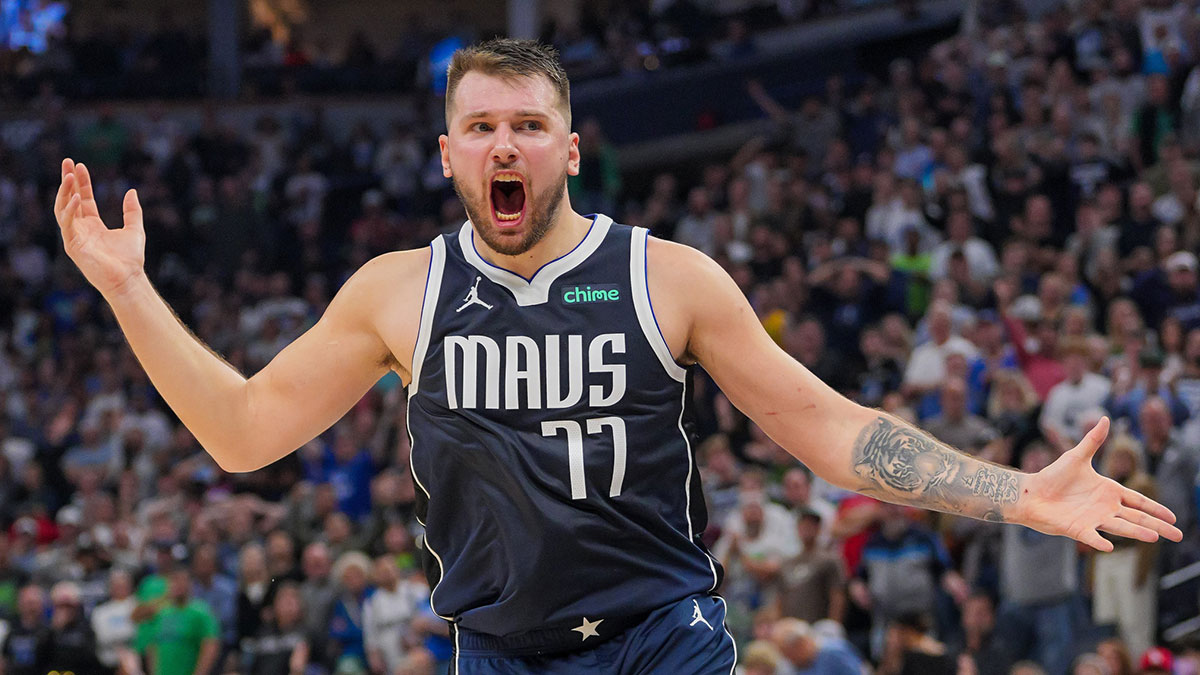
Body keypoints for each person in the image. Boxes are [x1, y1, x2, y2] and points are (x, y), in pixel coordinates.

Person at [52, 38, 1181, 673]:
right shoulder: (400, 291)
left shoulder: (668, 277)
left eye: (529, 125)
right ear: (448, 154)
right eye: (483, 127)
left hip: (659, 639)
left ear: (570, 149)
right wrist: (129, 289)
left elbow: (828, 428)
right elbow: (243, 435)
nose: (506, 144)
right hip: (494, 650)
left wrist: (1015, 493)